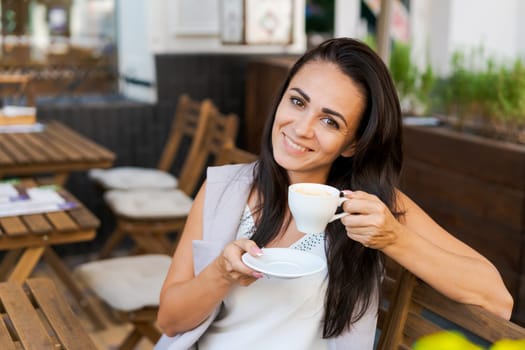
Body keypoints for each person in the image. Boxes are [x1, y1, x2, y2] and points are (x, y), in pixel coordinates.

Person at [155, 38, 513, 350]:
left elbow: (496, 300)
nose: (302, 128)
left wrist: (394, 239)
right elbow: (170, 320)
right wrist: (221, 273)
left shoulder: (368, 208)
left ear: (352, 144)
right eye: (297, 102)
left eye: (330, 121)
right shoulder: (224, 189)